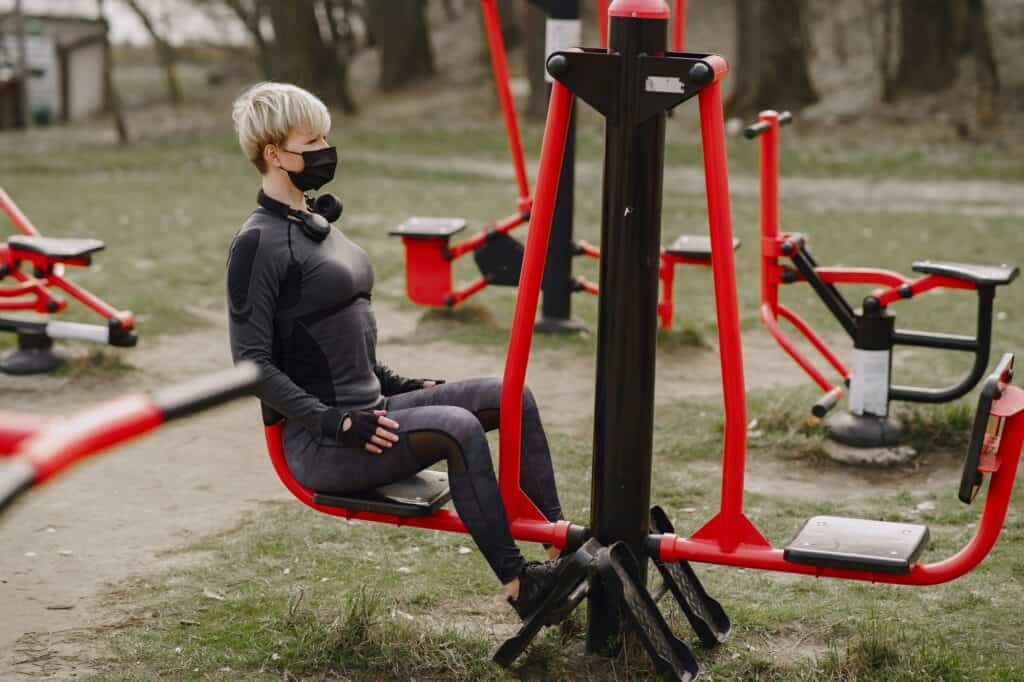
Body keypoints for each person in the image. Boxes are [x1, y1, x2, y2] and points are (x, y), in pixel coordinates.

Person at [226, 82, 566, 619]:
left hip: (373, 413)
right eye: (310, 139)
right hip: (324, 445)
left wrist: (401, 386)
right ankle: (521, 586)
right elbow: (252, 366)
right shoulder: (257, 243)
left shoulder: (312, 223)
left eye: (324, 137)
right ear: (273, 153)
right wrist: (335, 423)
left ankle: (559, 546)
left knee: (510, 395)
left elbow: (337, 341)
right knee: (459, 428)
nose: (323, 150)